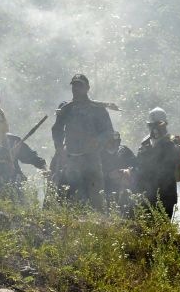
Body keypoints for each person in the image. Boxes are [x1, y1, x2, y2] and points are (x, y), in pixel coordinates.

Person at [50, 74, 114, 208]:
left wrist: (97, 140)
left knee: (96, 196)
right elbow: (57, 129)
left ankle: (99, 223)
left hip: (91, 158)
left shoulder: (97, 109)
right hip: (71, 158)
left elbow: (108, 131)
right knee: (68, 196)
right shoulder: (66, 108)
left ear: (87, 88)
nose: (76, 89)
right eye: (74, 86)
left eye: (79, 86)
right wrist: (59, 147)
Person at [135, 108, 180, 219]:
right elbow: (140, 165)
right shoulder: (145, 143)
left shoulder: (173, 142)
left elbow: (176, 163)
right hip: (146, 193)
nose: (154, 129)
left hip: (166, 194)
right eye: (151, 125)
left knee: (163, 227)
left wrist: (166, 143)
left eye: (158, 125)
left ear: (164, 125)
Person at [101, 131, 137, 204]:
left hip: (125, 186)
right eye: (112, 142)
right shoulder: (100, 154)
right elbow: (94, 173)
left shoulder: (124, 150)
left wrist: (127, 171)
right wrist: (109, 175)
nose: (114, 144)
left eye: (117, 141)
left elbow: (135, 164)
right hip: (107, 187)